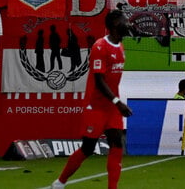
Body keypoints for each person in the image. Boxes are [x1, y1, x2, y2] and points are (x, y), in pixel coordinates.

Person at [52, 10, 132, 189]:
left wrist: (115, 104)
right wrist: (117, 102)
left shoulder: (120, 45)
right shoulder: (99, 47)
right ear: (114, 25)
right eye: (124, 21)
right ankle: (59, 182)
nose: (127, 24)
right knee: (88, 148)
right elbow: (99, 81)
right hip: (95, 106)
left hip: (112, 107)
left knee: (117, 143)